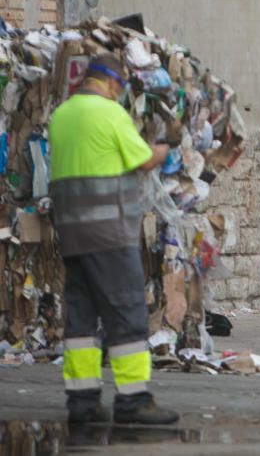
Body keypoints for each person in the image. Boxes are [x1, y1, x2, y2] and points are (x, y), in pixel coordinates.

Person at [48, 53, 178, 424]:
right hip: (109, 234)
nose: (118, 93)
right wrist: (167, 147)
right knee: (127, 314)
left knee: (82, 319)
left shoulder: (61, 116)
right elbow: (143, 160)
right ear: (109, 82)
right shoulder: (109, 113)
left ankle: (82, 402)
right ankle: (133, 401)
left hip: (72, 236)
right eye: (119, 87)